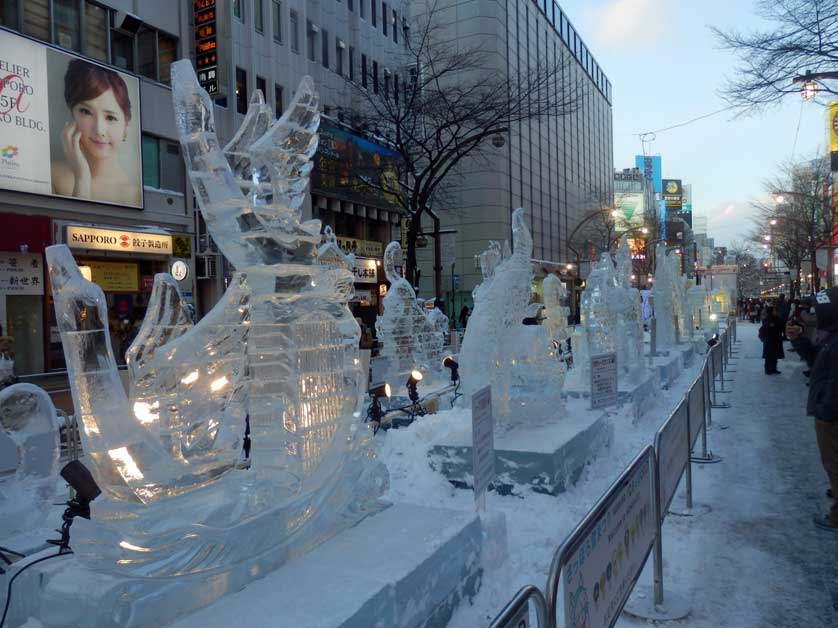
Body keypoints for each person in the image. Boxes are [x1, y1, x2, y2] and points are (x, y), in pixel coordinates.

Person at [51, 59, 140, 206]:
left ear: (126, 125)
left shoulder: (135, 196)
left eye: (110, 117)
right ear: (72, 113)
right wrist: (82, 177)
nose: (99, 130)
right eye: (86, 112)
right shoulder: (51, 175)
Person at [786, 287, 838, 530]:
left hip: (831, 415)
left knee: (834, 462)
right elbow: (816, 360)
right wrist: (799, 341)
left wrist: (825, 410)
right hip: (828, 410)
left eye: (821, 310)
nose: (815, 315)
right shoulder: (831, 337)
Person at [758, 305, 784, 375]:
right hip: (769, 340)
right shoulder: (767, 319)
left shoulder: (778, 318)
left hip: (776, 339)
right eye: (775, 311)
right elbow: (767, 326)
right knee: (769, 356)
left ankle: (774, 368)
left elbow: (780, 326)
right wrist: (771, 325)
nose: (776, 312)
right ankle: (768, 369)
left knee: (775, 355)